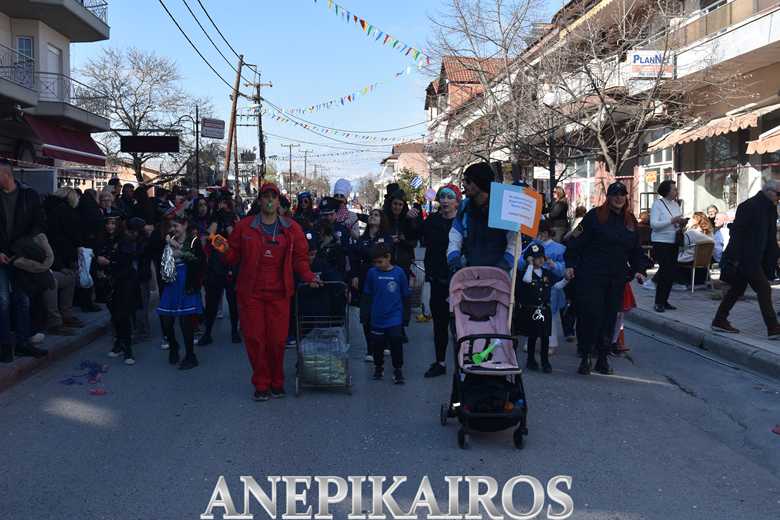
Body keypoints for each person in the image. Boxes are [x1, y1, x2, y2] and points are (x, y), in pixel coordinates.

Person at [222, 183, 320, 401]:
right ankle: (261, 384)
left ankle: (277, 382)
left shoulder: (291, 228)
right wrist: (222, 248)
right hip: (251, 294)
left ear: (278, 202)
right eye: (265, 196)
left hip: (279, 294)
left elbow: (300, 259)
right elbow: (232, 255)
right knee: (255, 340)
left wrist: (309, 276)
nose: (269, 200)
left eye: (273, 197)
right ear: (259, 201)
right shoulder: (245, 227)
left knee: (277, 341)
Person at [564, 181, 647, 375]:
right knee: (591, 316)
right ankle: (586, 356)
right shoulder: (594, 216)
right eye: (615, 194)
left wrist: (639, 270)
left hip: (616, 278)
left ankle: (602, 358)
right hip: (591, 276)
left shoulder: (630, 221)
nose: (619, 198)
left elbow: (636, 250)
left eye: (622, 194)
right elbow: (574, 241)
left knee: (609, 319)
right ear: (608, 197)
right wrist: (570, 265)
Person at [712, 180, 780, 338]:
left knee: (737, 289)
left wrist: (774, 256)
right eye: (778, 194)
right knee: (764, 288)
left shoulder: (771, 208)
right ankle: (773, 328)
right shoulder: (749, 206)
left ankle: (719, 320)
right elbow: (737, 234)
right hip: (745, 257)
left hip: (756, 257)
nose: (779, 198)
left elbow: (770, 237)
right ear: (768, 191)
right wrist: (735, 259)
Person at [156, 215, 206, 369]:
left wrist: (180, 250)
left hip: (187, 282)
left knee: (186, 321)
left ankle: (191, 356)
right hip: (171, 282)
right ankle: (173, 346)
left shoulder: (193, 241)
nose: (173, 229)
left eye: (176, 226)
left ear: (185, 225)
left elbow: (200, 261)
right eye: (171, 226)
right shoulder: (168, 239)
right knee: (166, 319)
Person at [447, 162, 517, 271]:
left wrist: (505, 264)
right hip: (470, 273)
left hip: (499, 274)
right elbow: (455, 235)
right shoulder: (464, 207)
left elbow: (514, 241)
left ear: (479, 183)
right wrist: (453, 258)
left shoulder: (502, 207)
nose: (463, 184)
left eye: (468, 181)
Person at [422, 184, 461, 378]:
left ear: (457, 202)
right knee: (440, 324)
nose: (445, 200)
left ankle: (464, 365)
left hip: (459, 281)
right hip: (438, 279)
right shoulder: (432, 220)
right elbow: (417, 237)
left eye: (449, 197)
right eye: (442, 196)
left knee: (461, 326)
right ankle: (440, 362)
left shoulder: (462, 222)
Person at [350, 208, 393, 361]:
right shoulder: (363, 238)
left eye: (376, 215)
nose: (372, 217)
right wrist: (354, 275)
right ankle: (370, 348)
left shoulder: (386, 238)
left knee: (383, 312)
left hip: (382, 279)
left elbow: (379, 254)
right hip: (365, 279)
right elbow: (355, 257)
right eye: (371, 215)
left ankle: (385, 343)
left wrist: (364, 250)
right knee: (366, 315)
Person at [364, 243, 410, 384]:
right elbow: (368, 294)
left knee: (396, 342)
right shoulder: (372, 273)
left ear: (388, 257)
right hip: (377, 317)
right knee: (377, 345)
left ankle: (398, 369)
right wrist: (366, 314)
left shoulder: (399, 273)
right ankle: (379, 367)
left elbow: (405, 295)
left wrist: (405, 316)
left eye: (380, 262)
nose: (377, 265)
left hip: (394, 316)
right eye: (375, 262)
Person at [43, 187, 85, 335]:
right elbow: (60, 240)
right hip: (51, 261)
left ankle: (64, 316)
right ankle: (57, 320)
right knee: (56, 281)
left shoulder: (49, 210)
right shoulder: (64, 212)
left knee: (69, 279)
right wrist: (60, 265)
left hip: (54, 259)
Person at [199, 195, 240, 346]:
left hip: (230, 265)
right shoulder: (214, 218)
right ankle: (208, 333)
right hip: (216, 265)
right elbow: (206, 237)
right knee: (212, 302)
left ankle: (234, 331)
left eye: (224, 202)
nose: (222, 205)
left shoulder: (234, 217)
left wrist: (227, 224)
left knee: (233, 301)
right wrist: (220, 240)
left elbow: (236, 239)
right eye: (220, 202)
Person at [105, 217, 146, 365]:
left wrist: (110, 262)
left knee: (123, 315)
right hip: (113, 281)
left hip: (127, 282)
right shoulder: (115, 239)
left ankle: (127, 348)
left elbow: (127, 262)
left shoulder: (132, 242)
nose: (130, 233)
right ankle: (119, 342)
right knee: (115, 315)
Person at [516, 243, 556, 373]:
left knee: (545, 337)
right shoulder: (526, 273)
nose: (540, 260)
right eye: (536, 258)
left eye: (541, 257)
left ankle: (545, 361)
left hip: (544, 309)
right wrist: (530, 265)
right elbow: (527, 280)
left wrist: (566, 280)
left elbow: (556, 285)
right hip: (531, 309)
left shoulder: (547, 273)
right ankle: (531, 359)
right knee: (532, 336)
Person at [649, 180, 683, 313]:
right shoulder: (657, 204)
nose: (676, 191)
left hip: (673, 241)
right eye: (674, 189)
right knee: (664, 271)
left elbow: (676, 223)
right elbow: (654, 225)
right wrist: (671, 221)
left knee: (671, 272)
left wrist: (681, 223)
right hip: (661, 241)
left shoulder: (675, 204)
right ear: (666, 191)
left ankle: (665, 300)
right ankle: (658, 302)